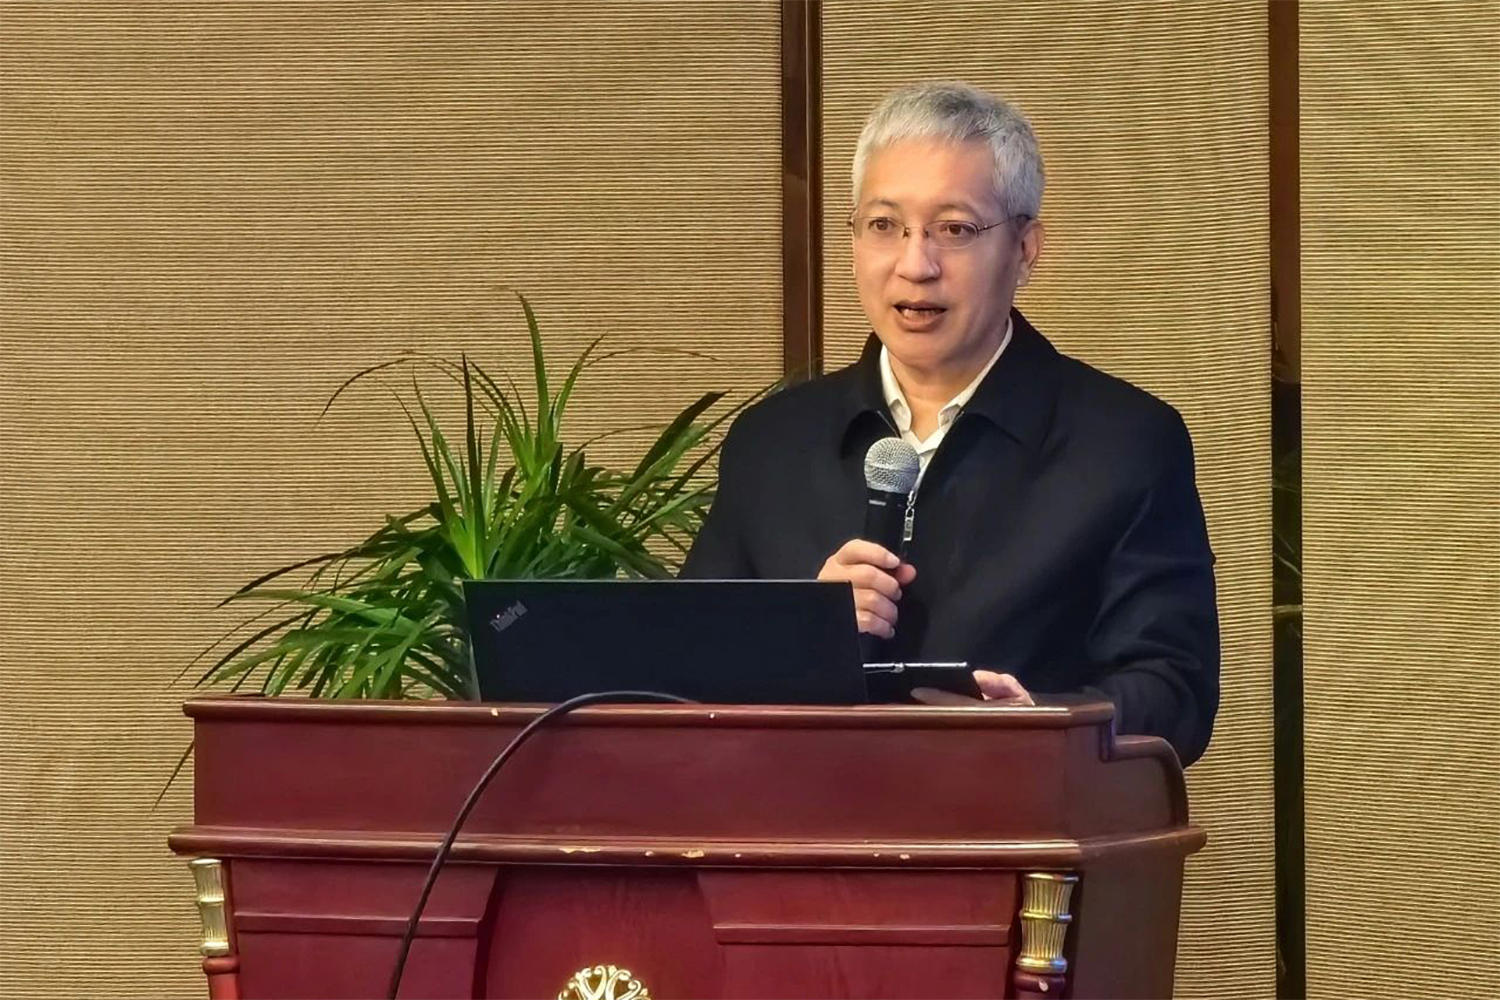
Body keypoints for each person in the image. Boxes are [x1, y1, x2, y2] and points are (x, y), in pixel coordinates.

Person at [681, 81, 1219, 766]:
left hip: (1013, 815)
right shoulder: (772, 442)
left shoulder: (1124, 443)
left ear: (1025, 249)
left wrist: (1039, 724)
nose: (916, 265)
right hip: (797, 820)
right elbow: (684, 674)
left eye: (955, 230)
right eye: (885, 226)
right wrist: (800, 638)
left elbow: (1175, 691)